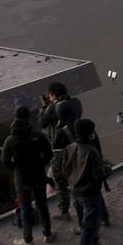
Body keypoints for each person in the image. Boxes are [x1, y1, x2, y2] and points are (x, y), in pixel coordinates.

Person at [2, 105, 55, 245]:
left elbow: (5, 161)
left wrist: (16, 169)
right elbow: (49, 154)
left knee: (25, 208)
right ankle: (48, 234)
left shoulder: (10, 140)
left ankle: (28, 240)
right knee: (42, 204)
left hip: (22, 178)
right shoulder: (38, 136)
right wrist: (40, 164)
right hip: (38, 175)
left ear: (15, 118)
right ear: (28, 118)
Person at [64, 118, 106, 245]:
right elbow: (98, 175)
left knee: (87, 221)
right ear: (89, 133)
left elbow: (65, 169)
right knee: (89, 224)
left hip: (75, 191)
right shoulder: (92, 152)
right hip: (90, 192)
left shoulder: (69, 148)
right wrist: (106, 170)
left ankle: (93, 243)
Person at [46, 82, 82, 221]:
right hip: (77, 150)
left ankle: (65, 212)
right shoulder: (77, 109)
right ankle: (101, 215)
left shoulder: (60, 132)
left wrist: (48, 107)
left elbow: (43, 122)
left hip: (62, 155)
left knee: (60, 183)